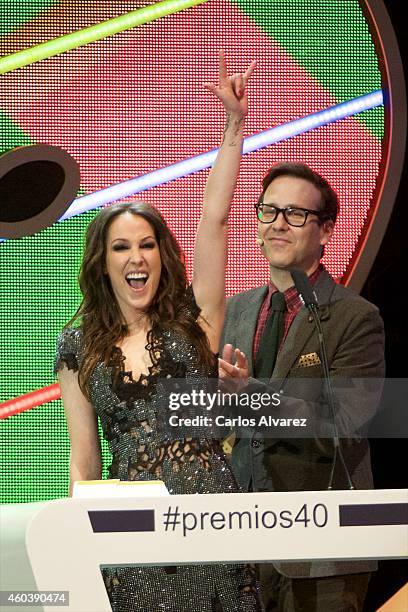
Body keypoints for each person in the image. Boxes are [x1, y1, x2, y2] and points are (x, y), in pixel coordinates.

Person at [55, 52, 263, 612]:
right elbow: (84, 460)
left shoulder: (195, 321)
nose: (136, 256)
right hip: (135, 537)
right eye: (121, 247)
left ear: (162, 256)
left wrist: (234, 128)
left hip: (213, 518)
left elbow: (214, 221)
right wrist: (84, 539)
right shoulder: (78, 348)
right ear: (103, 262)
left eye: (147, 243)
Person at [219, 163, 385, 612]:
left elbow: (342, 423)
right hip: (240, 542)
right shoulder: (237, 310)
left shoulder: (355, 317)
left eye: (294, 214)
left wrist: (250, 395)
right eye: (268, 210)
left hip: (321, 550)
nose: (277, 223)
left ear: (326, 231)